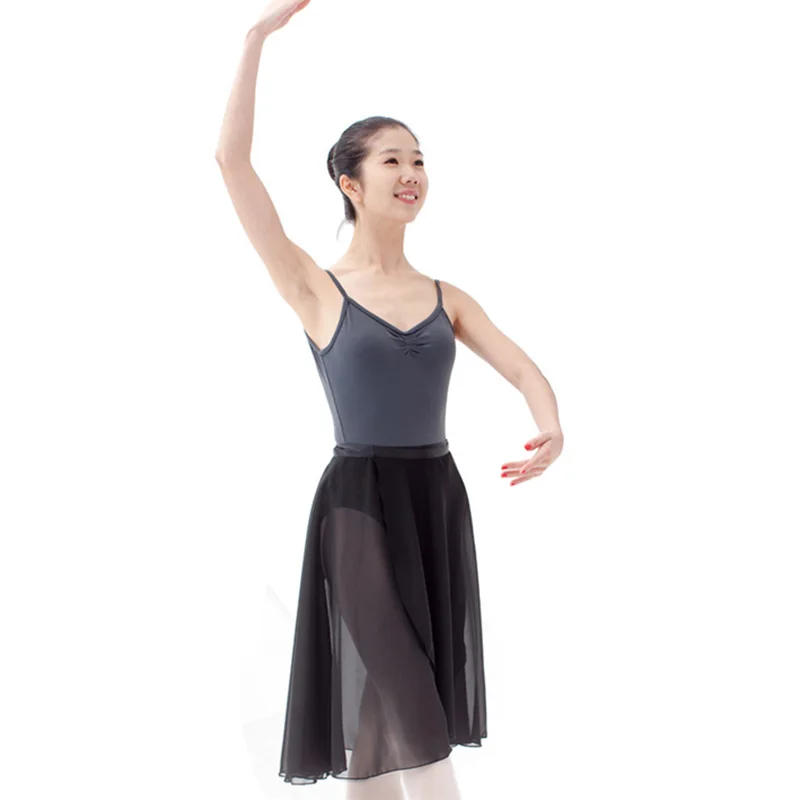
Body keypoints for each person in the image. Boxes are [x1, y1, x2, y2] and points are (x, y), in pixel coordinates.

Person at [215, 2, 564, 797]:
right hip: (358, 505)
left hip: (435, 499)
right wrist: (255, 39)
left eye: (419, 160)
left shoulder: (449, 297)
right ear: (351, 182)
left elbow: (525, 371)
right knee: (413, 701)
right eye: (392, 160)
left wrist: (550, 428)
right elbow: (232, 164)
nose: (412, 173)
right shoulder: (315, 287)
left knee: (382, 717)